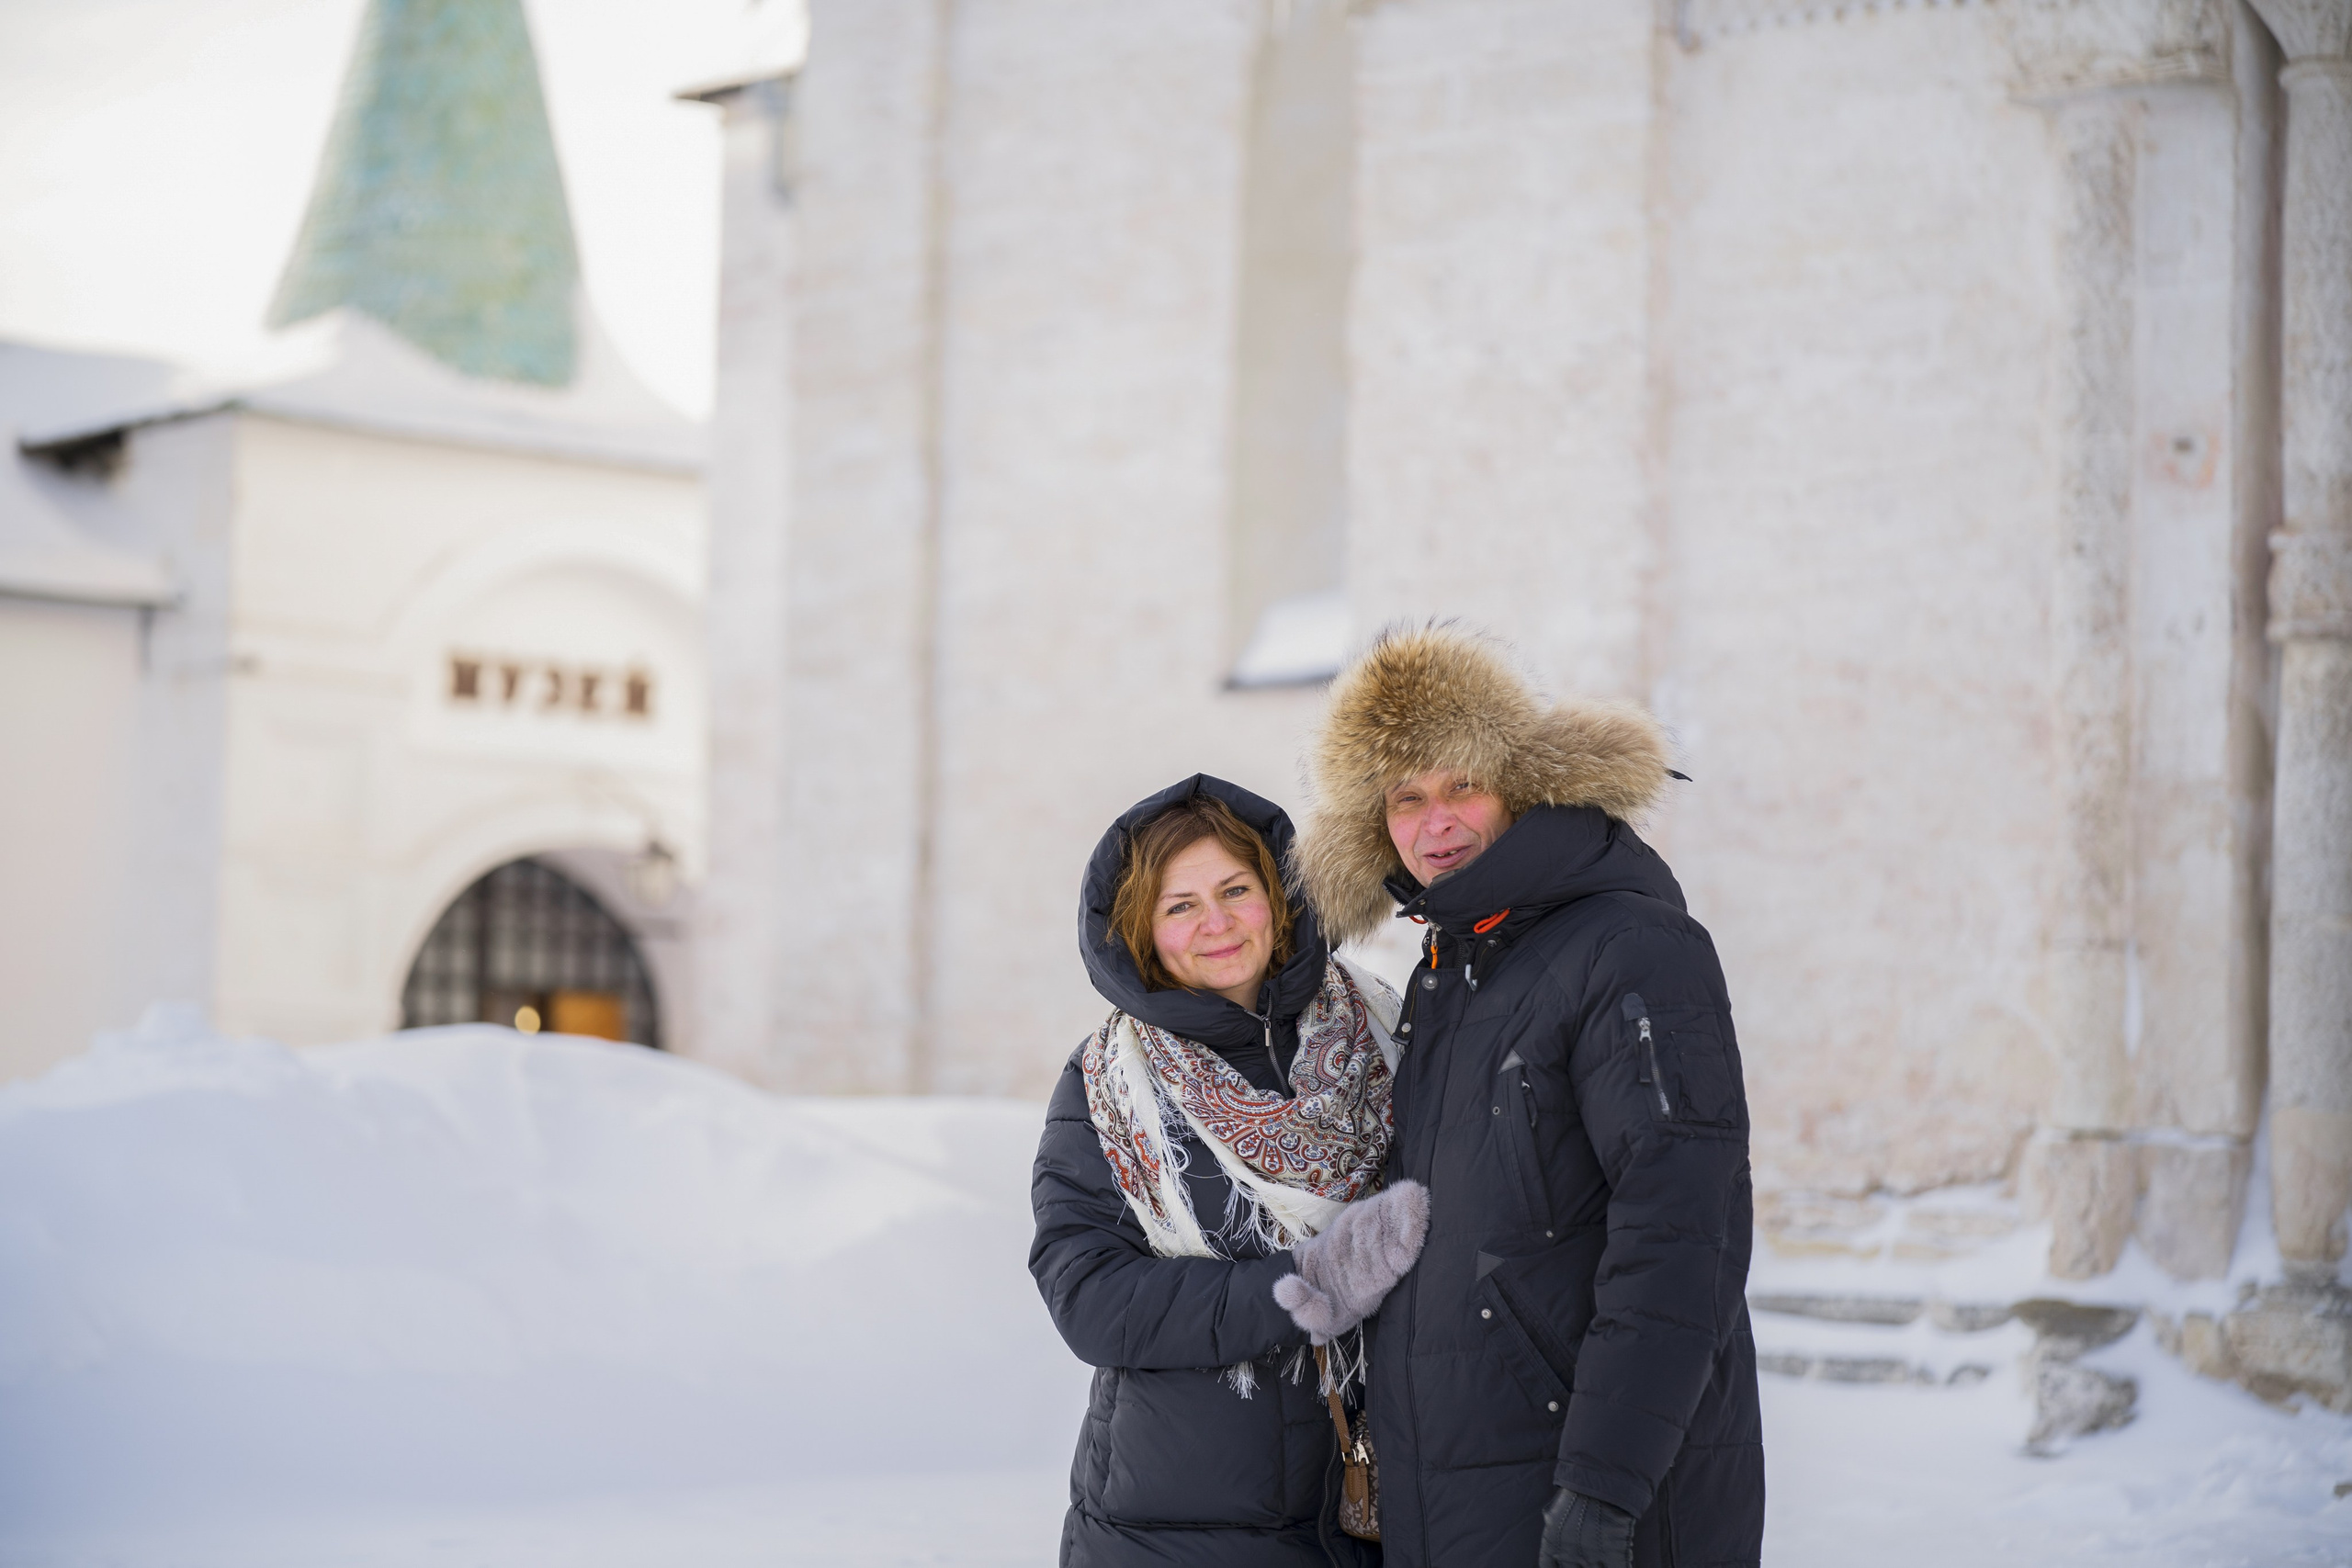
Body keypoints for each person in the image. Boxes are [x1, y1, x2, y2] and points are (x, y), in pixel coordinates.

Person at [1290, 626, 1765, 1568]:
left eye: (1462, 784)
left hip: (1595, 1498)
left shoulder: (1629, 948)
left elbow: (1681, 1234)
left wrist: (1603, 1487)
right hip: (1465, 1497)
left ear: (1521, 784)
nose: (1438, 824)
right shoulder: (1453, 970)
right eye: (1406, 799)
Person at [1031, 775, 1430, 1567]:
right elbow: (1090, 1297)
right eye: (1180, 905)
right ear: (1141, 928)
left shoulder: (1392, 1030)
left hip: (1384, 1508)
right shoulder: (1109, 1085)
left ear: (1282, 896)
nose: (1214, 923)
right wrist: (1306, 1286)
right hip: (1173, 1529)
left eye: (1235, 889)